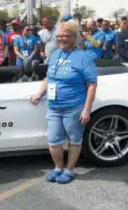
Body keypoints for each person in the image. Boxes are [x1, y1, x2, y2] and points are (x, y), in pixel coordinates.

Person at [31, 21, 98, 184]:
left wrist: (86, 110)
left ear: (74, 37)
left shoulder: (83, 57)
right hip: (54, 107)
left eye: (66, 36)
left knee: (74, 141)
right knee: (54, 141)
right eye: (59, 36)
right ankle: (58, 167)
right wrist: (40, 92)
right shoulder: (55, 54)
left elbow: (92, 84)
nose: (61, 39)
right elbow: (49, 77)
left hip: (74, 107)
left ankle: (69, 170)